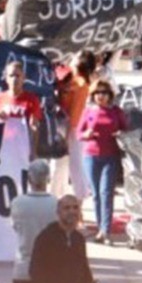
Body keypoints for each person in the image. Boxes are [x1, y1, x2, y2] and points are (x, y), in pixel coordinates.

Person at [10, 160, 59, 283]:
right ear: (48, 178)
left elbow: (16, 227)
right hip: (49, 270)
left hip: (24, 267)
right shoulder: (56, 204)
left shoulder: (18, 203)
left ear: (29, 178)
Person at [75, 80, 127, 243]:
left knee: (107, 192)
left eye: (104, 93)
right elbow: (79, 133)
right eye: (97, 93)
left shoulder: (116, 111)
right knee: (96, 194)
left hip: (110, 155)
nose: (101, 96)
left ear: (110, 95)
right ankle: (100, 228)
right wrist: (87, 134)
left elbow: (126, 129)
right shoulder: (88, 111)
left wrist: (119, 133)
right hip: (91, 155)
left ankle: (105, 229)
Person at [52, 52, 94, 200]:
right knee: (60, 163)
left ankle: (81, 196)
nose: (73, 57)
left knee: (75, 164)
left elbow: (76, 111)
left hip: (74, 127)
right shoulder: (70, 79)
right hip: (64, 124)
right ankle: (56, 195)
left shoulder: (82, 84)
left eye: (77, 56)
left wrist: (70, 132)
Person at [0, 62, 44, 137]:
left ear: (23, 78)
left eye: (17, 76)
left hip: (22, 145)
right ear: (6, 79)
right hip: (2, 144)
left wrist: (34, 127)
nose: (14, 79)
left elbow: (35, 129)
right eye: (11, 76)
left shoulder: (32, 100)